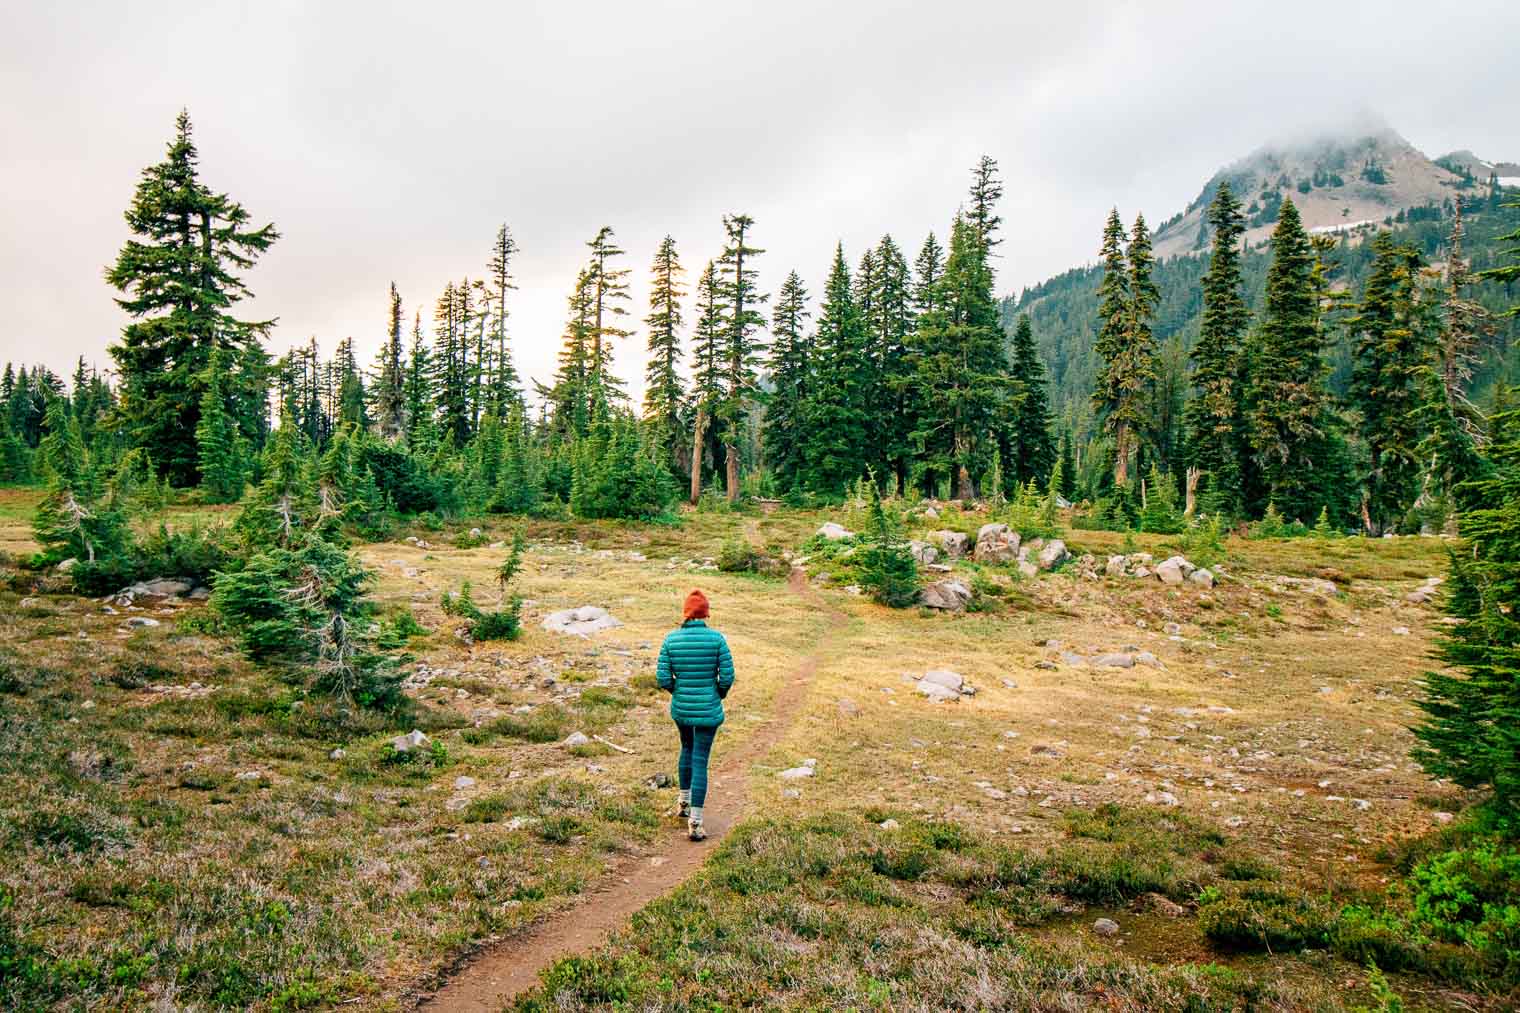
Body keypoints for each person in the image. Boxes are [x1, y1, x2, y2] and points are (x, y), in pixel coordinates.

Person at [656, 589, 735, 841]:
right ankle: (696, 822)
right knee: (700, 759)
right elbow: (728, 676)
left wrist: (677, 692)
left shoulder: (671, 640)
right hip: (708, 709)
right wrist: (717, 694)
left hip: (682, 708)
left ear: (685, 613)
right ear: (705, 613)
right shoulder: (717, 639)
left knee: (686, 749)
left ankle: (683, 804)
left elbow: (663, 678)